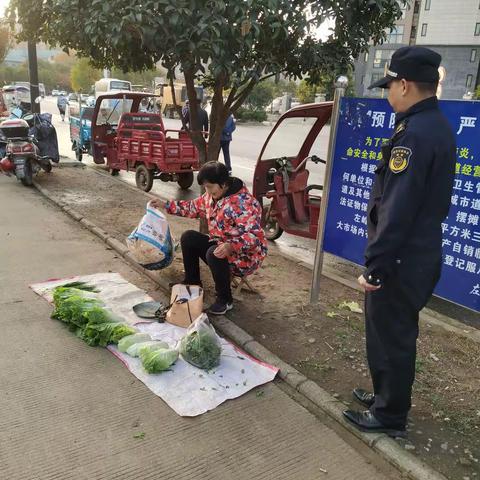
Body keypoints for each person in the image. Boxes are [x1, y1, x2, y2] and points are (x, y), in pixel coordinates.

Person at [342, 46, 456, 436]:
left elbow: (398, 207)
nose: (387, 93)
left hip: (402, 260)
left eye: (389, 85)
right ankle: (384, 396)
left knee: (393, 335)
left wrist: (377, 262)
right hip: (414, 255)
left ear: (405, 85)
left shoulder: (416, 134)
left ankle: (389, 416)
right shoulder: (429, 125)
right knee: (386, 331)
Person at [150, 162, 267, 315]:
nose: (207, 191)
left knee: (214, 252)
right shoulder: (211, 196)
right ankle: (193, 282)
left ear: (224, 184)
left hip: (245, 256)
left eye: (210, 187)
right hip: (220, 244)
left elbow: (254, 237)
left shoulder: (245, 203)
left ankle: (225, 300)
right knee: (189, 237)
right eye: (206, 187)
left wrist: (231, 246)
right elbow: (191, 207)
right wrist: (165, 205)